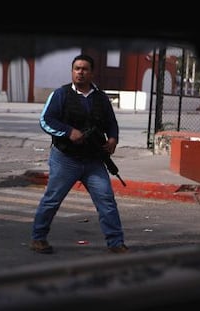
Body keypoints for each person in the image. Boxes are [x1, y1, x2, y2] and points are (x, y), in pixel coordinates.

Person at [30, 54, 128, 254]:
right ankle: (38, 238)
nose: (80, 72)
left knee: (106, 200)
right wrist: (68, 132)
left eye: (84, 69)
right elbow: (45, 120)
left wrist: (113, 139)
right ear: (72, 71)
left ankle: (116, 242)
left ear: (92, 73)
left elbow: (111, 123)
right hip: (65, 159)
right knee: (52, 199)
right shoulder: (61, 94)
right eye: (77, 69)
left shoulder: (101, 98)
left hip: (93, 160)